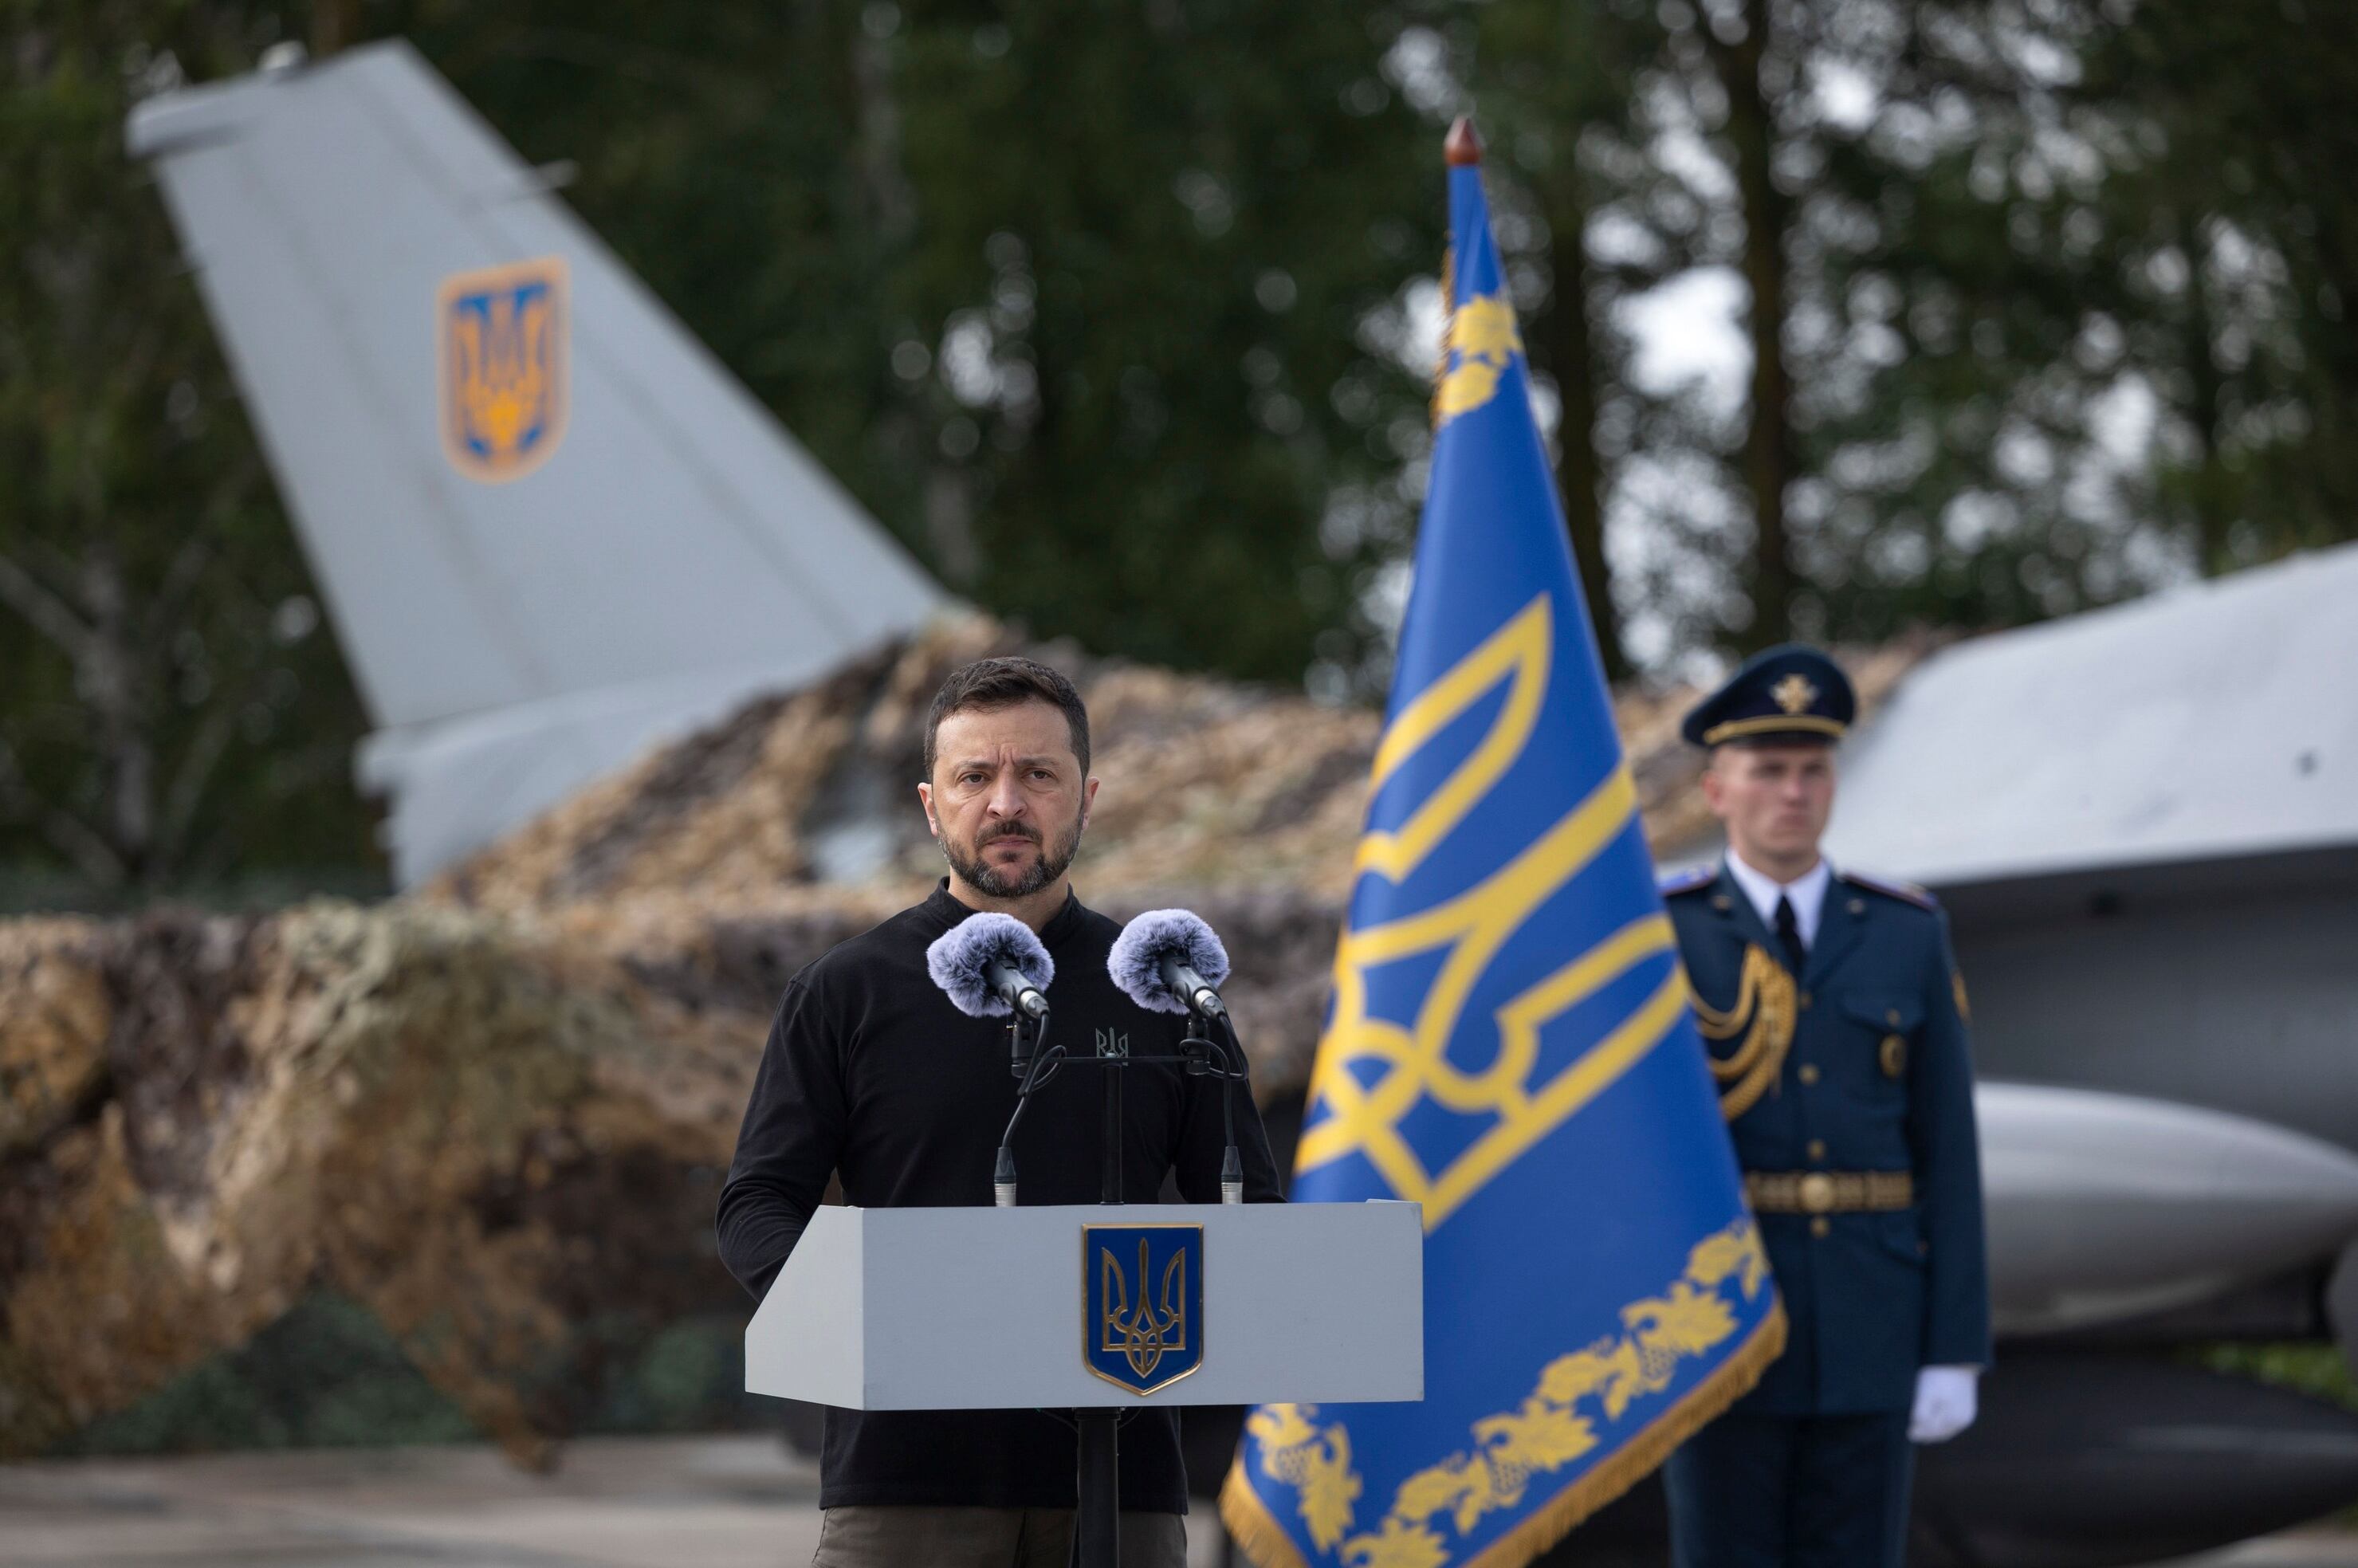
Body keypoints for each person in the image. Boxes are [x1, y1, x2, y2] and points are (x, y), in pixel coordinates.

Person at [716, 655, 1283, 1568]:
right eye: (975, 776)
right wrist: (870, 1315)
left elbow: (1254, 1217)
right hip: (906, 1479)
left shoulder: (1169, 986)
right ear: (932, 803)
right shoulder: (845, 992)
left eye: (1038, 774)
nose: (1007, 802)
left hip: (1122, 1484)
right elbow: (755, 1207)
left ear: (1086, 796)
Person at [1657, 644, 1991, 1568]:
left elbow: (1948, 1149)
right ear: (1717, 789)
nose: (1793, 791)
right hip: (1718, 1323)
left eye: (1812, 769)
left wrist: (1953, 1344)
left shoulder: (1905, 932)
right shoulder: (1661, 935)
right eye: (1767, 770)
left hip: (1870, 1322)